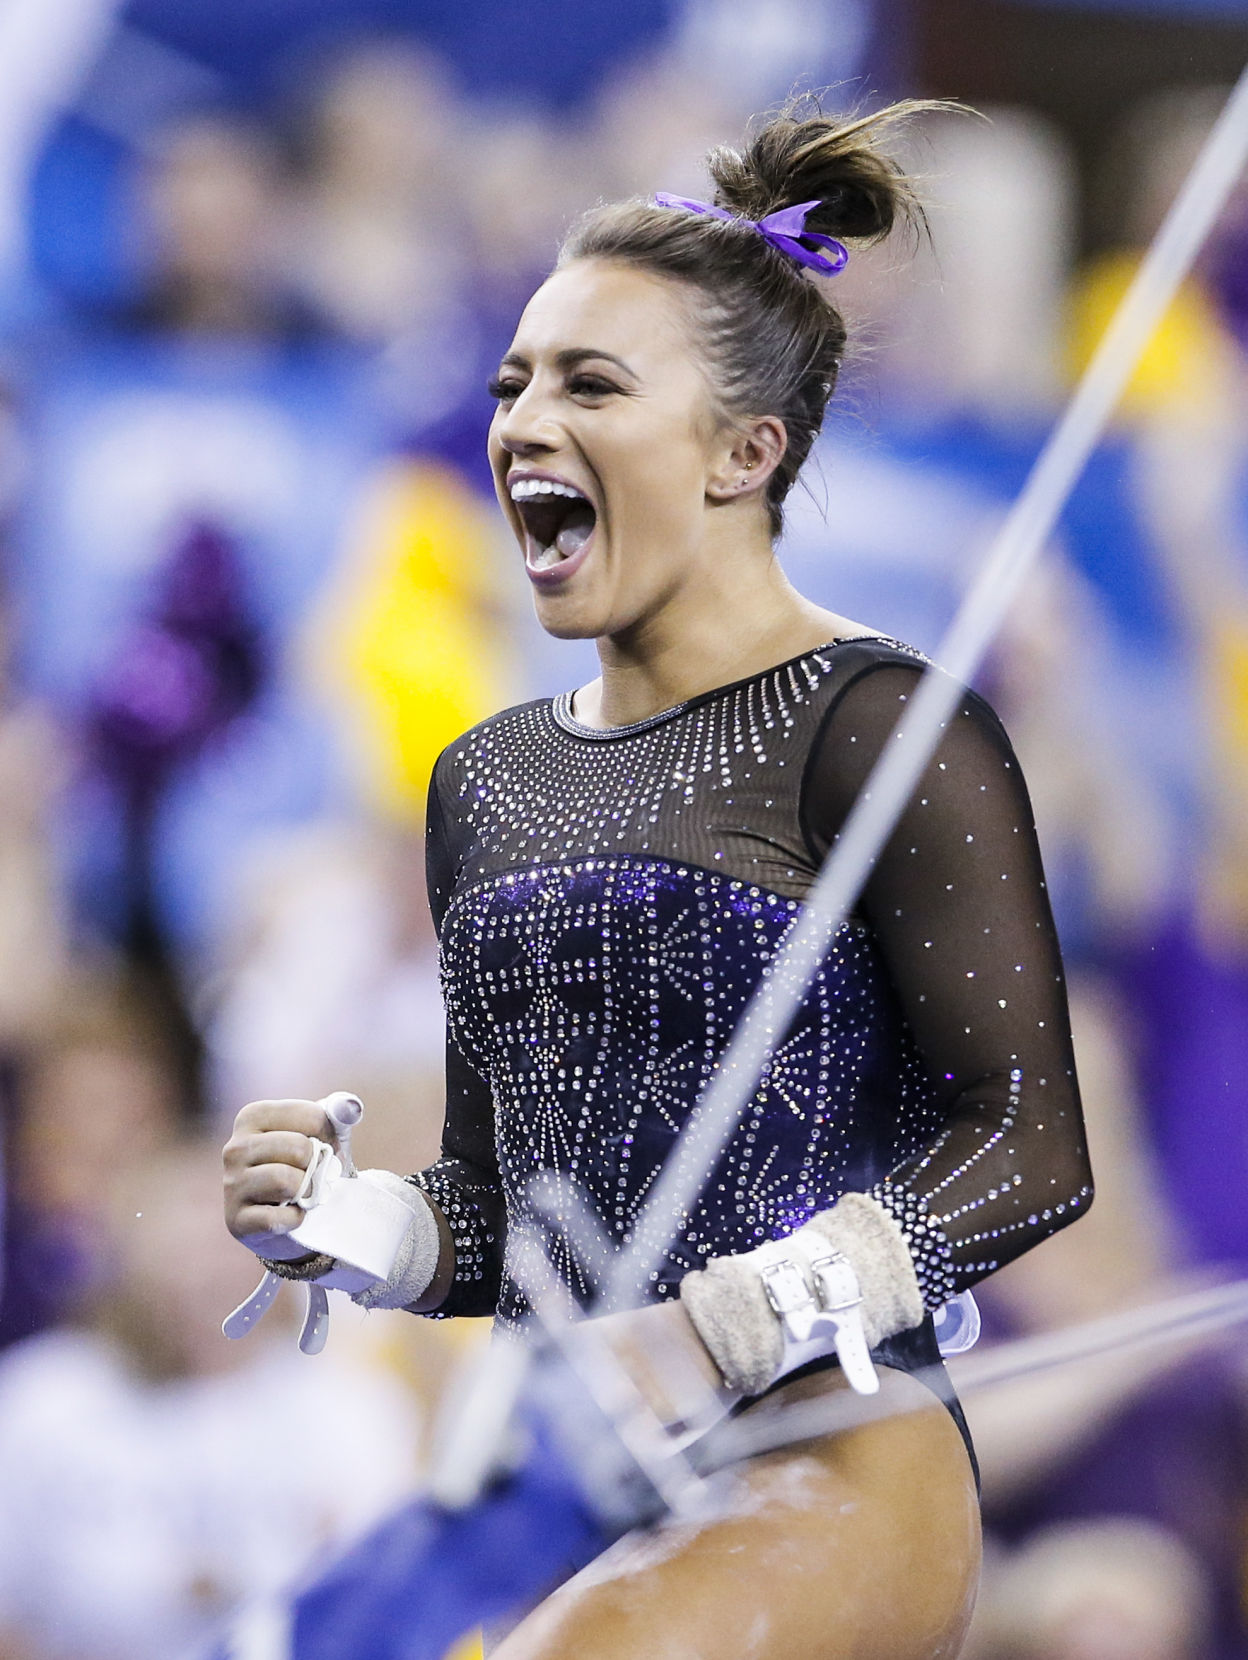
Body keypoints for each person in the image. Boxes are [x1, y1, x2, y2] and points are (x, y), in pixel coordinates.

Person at [224, 100, 1092, 1659]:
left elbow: (1025, 1145)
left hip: (826, 1453)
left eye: (591, 384)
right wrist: (363, 1227)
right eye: (514, 384)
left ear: (744, 451)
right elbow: (514, 1208)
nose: (522, 422)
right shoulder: (486, 779)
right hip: (583, 1473)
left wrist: (737, 1316)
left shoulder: (881, 730)